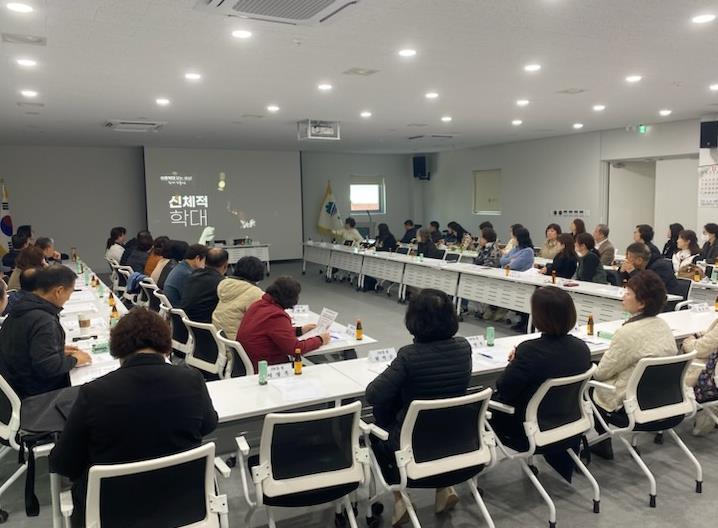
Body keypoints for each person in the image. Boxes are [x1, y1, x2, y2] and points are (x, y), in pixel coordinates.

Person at [49, 308, 218, 525]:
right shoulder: (192, 379)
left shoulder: (94, 393)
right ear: (165, 343)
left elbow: (63, 463)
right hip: (186, 505)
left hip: (113, 513)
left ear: (117, 348)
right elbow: (208, 425)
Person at [365, 289, 471, 524]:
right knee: (437, 414)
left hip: (411, 444)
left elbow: (373, 395)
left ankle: (401, 499)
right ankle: (444, 487)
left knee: (377, 431)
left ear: (414, 320)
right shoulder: (464, 348)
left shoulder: (409, 356)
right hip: (455, 436)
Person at [491, 288, 591, 465]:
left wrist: (514, 362)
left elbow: (504, 388)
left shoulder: (529, 351)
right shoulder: (581, 348)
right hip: (568, 422)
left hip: (526, 428)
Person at [591, 271, 676, 458]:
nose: (623, 296)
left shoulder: (628, 332)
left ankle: (602, 441)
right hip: (662, 400)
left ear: (642, 303)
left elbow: (601, 374)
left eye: (628, 293)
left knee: (588, 380)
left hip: (631, 404)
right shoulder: (663, 326)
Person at [0, 265, 91, 399]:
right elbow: (48, 367)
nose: (68, 299)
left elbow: (25, 345)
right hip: (36, 392)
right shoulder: (44, 321)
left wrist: (56, 349)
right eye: (69, 293)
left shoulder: (24, 305)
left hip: (18, 382)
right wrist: (76, 360)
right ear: (59, 291)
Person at [237, 277, 330, 369]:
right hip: (268, 367)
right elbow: (295, 349)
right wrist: (320, 340)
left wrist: (299, 330)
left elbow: (273, 332)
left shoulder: (258, 305)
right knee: (317, 370)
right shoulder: (276, 315)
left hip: (251, 362)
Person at [212, 256, 265, 336]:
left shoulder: (224, 284)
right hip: (237, 339)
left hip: (220, 335)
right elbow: (262, 319)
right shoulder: (255, 293)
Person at [180, 248, 228, 323]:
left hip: (188, 324)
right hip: (208, 326)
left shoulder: (192, 276)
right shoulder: (221, 283)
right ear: (225, 265)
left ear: (205, 261)